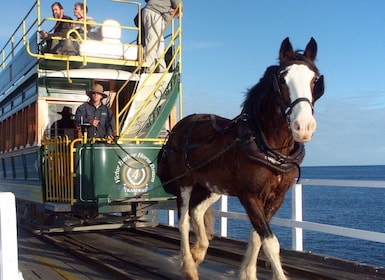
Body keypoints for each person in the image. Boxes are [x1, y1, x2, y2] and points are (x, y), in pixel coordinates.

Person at [142, 0, 181, 73]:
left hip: (151, 11)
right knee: (153, 41)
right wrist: (179, 10)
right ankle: (149, 67)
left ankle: (161, 68)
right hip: (155, 12)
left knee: (159, 42)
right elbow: (177, 2)